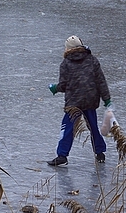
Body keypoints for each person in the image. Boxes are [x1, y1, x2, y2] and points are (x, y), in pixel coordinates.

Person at [47, 35, 111, 166]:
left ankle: (62, 156)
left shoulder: (66, 63)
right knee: (93, 126)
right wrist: (107, 98)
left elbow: (64, 85)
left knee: (68, 128)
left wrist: (54, 88)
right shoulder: (92, 60)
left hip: (74, 102)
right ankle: (100, 153)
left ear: (67, 49)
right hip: (90, 100)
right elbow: (101, 81)